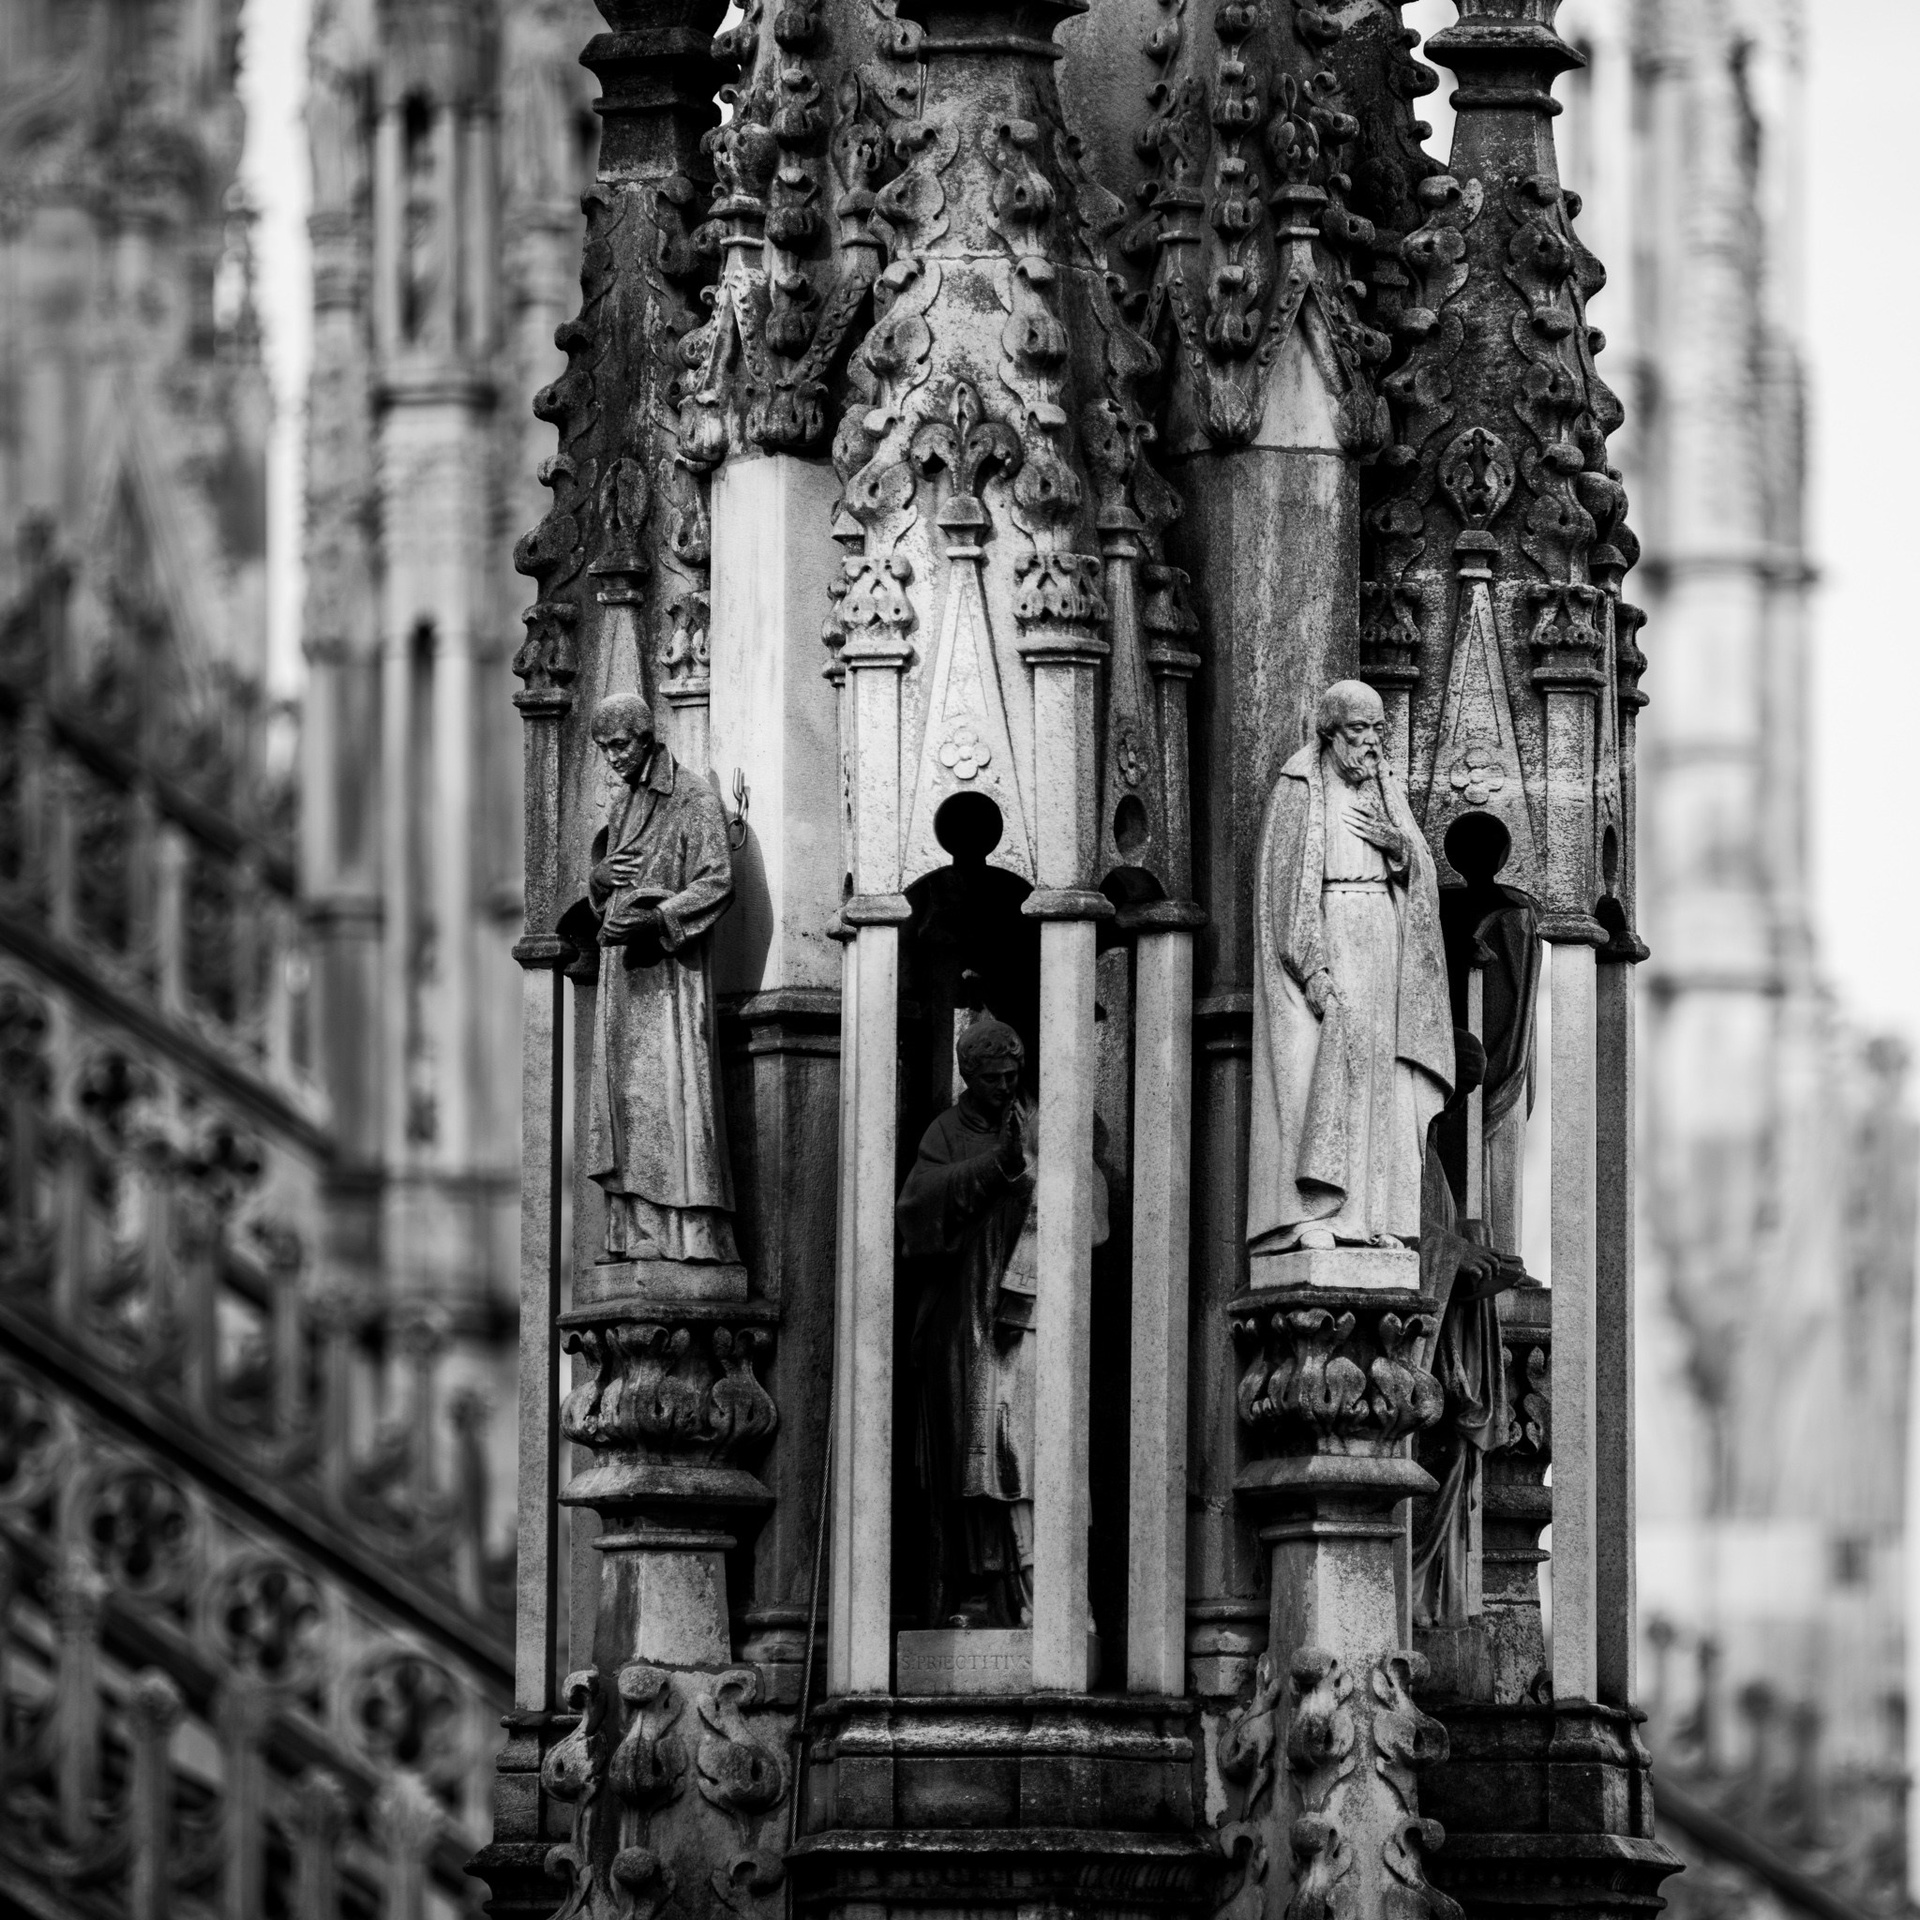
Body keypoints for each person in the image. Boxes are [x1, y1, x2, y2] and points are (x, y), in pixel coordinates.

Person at [1248, 680, 1453, 1254]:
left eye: (1378, 730)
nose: (1371, 742)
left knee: (1383, 1076)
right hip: (1330, 932)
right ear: (1331, 733)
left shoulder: (1386, 786)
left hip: (1383, 937)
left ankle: (1374, 1216)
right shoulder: (1299, 786)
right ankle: (1316, 1215)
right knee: (1325, 1071)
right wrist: (1312, 968)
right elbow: (1285, 888)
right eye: (1359, 730)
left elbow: (1420, 871)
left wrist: (1400, 848)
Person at [584, 692, 739, 1266]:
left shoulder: (691, 796)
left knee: (669, 1099)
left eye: (620, 745)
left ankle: (685, 1233)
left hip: (670, 978)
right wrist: (599, 881)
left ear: (646, 737)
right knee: (625, 1105)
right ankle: (632, 1230)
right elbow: (609, 886)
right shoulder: (622, 802)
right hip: (622, 979)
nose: (613, 758)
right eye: (604, 748)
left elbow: (717, 881)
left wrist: (657, 920)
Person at [1411, 1030, 1523, 1627]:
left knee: (1454, 1452)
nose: (1455, 1106)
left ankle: (1426, 1594)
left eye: (1464, 1096)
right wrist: (1455, 1253)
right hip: (1412, 1353)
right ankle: (1410, 1590)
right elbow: (1384, 1230)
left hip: (1444, 1348)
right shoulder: (1399, 1138)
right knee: (1435, 1452)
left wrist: (1477, 1255)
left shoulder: (1429, 1147)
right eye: (1453, 1090)